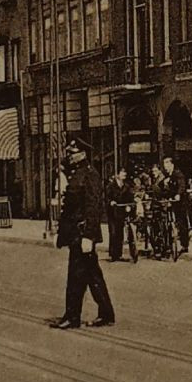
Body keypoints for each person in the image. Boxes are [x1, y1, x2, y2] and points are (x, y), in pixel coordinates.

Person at [50, 139, 113, 330]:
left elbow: (93, 208)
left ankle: (72, 316)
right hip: (75, 233)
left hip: (82, 234)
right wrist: (60, 234)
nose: (69, 155)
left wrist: (89, 236)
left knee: (76, 276)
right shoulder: (75, 174)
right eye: (68, 152)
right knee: (92, 275)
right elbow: (68, 209)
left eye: (73, 152)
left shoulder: (90, 175)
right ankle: (107, 313)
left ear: (83, 154)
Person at [158, 156, 191, 255]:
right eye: (164, 164)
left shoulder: (177, 173)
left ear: (172, 164)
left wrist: (178, 194)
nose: (165, 166)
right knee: (167, 220)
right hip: (171, 201)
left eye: (167, 163)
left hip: (180, 201)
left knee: (181, 222)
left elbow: (182, 185)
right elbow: (160, 185)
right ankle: (167, 243)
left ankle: (184, 245)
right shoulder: (167, 175)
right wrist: (163, 183)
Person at [106, 168, 134, 262]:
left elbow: (130, 196)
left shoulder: (126, 186)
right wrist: (111, 202)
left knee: (120, 233)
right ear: (117, 174)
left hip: (122, 212)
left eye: (125, 172)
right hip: (113, 212)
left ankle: (119, 254)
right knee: (113, 232)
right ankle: (113, 255)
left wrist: (132, 202)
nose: (124, 174)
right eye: (122, 172)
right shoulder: (111, 185)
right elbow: (106, 197)